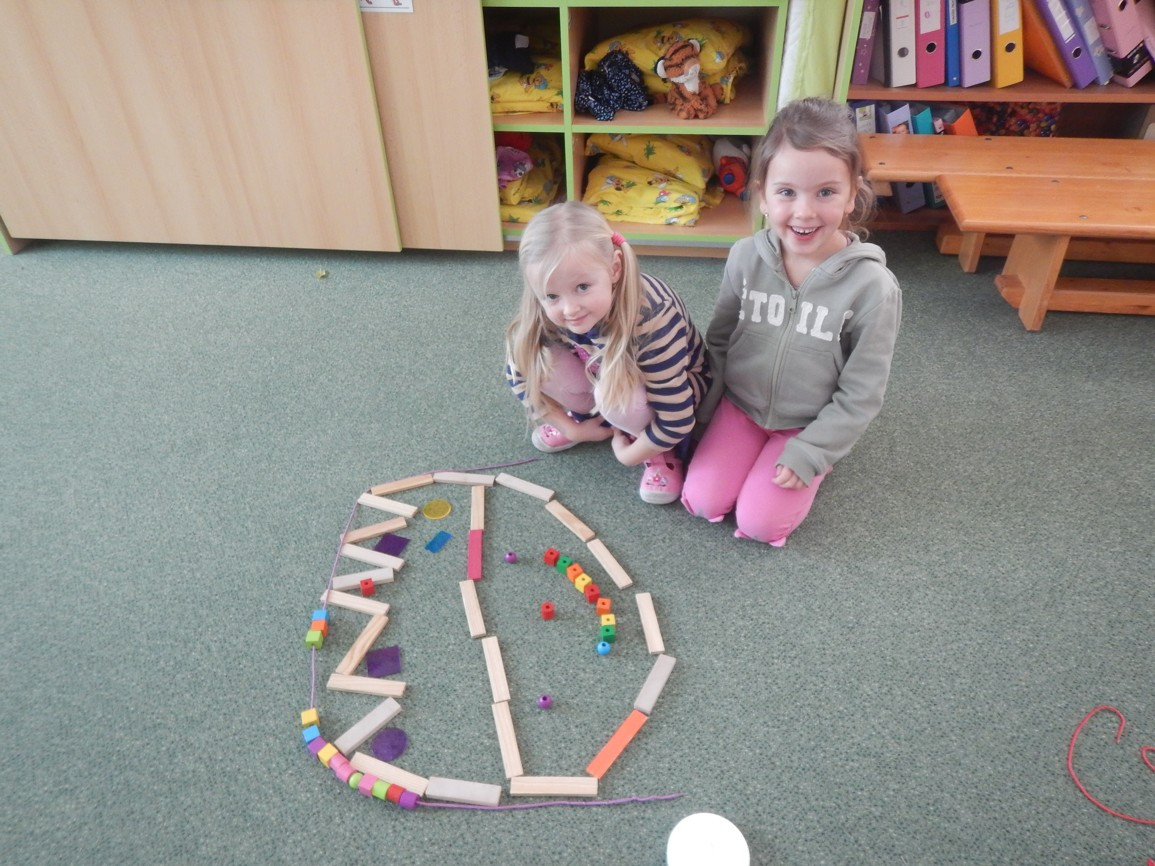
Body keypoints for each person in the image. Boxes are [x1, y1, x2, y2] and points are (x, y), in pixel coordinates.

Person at [682, 97, 902, 545]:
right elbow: (719, 341)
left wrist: (813, 450)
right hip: (740, 408)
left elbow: (862, 393)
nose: (804, 212)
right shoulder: (745, 257)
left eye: (826, 192)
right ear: (762, 194)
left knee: (760, 524)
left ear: (853, 193)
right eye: (787, 192)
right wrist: (703, 414)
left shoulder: (873, 288)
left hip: (807, 423)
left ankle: (815, 458)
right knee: (703, 501)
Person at [505, 200, 709, 505]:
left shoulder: (652, 318)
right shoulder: (546, 309)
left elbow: (676, 417)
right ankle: (587, 415)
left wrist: (630, 455)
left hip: (671, 392)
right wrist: (574, 430)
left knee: (616, 399)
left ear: (614, 269)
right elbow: (520, 372)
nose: (569, 309)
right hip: (600, 366)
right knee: (537, 358)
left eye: (582, 287)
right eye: (551, 296)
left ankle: (661, 453)